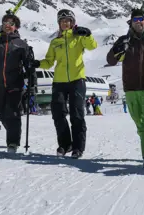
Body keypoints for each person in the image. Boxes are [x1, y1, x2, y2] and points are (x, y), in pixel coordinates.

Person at [106, 5, 144, 168]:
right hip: (130, 88)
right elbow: (111, 61)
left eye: (141, 19)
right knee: (137, 118)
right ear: (131, 23)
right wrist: (117, 49)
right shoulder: (125, 40)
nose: (139, 22)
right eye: (135, 19)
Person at [33, 9, 97, 159]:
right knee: (58, 114)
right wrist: (37, 63)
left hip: (77, 80)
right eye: (62, 21)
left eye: (68, 20)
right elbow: (49, 62)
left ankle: (78, 148)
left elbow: (92, 46)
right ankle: (65, 144)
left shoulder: (79, 37)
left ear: (73, 22)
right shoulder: (55, 42)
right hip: (59, 81)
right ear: (59, 24)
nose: (65, 23)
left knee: (77, 114)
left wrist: (87, 34)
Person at [0, 11, 35, 153]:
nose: (7, 26)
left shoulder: (21, 44)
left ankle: (12, 143)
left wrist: (32, 84)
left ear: (16, 27)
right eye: (5, 23)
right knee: (2, 114)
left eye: (11, 23)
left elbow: (29, 66)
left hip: (15, 83)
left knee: (13, 112)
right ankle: (13, 131)